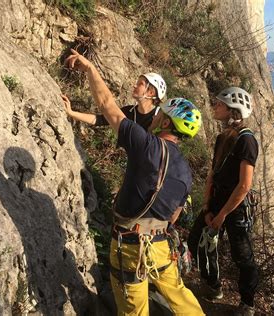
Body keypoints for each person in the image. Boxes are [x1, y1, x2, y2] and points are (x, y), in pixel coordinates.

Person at [63, 49, 204, 315]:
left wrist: (90, 68)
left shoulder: (147, 146)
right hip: (160, 245)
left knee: (133, 310)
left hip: (131, 244)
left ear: (164, 120)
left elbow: (106, 105)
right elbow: (174, 214)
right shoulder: (185, 171)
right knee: (180, 297)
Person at [188, 87, 259, 316]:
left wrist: (222, 215)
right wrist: (208, 206)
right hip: (218, 200)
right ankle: (213, 285)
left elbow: (244, 185)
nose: (215, 107)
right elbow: (213, 173)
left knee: (243, 256)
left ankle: (247, 303)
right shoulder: (222, 138)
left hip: (235, 208)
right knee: (195, 239)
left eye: (219, 104)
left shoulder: (246, 141)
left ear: (232, 110)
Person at [61, 72, 166, 131]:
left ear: (151, 93)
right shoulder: (128, 112)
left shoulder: (160, 117)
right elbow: (99, 120)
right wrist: (71, 113)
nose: (135, 86)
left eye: (140, 84)